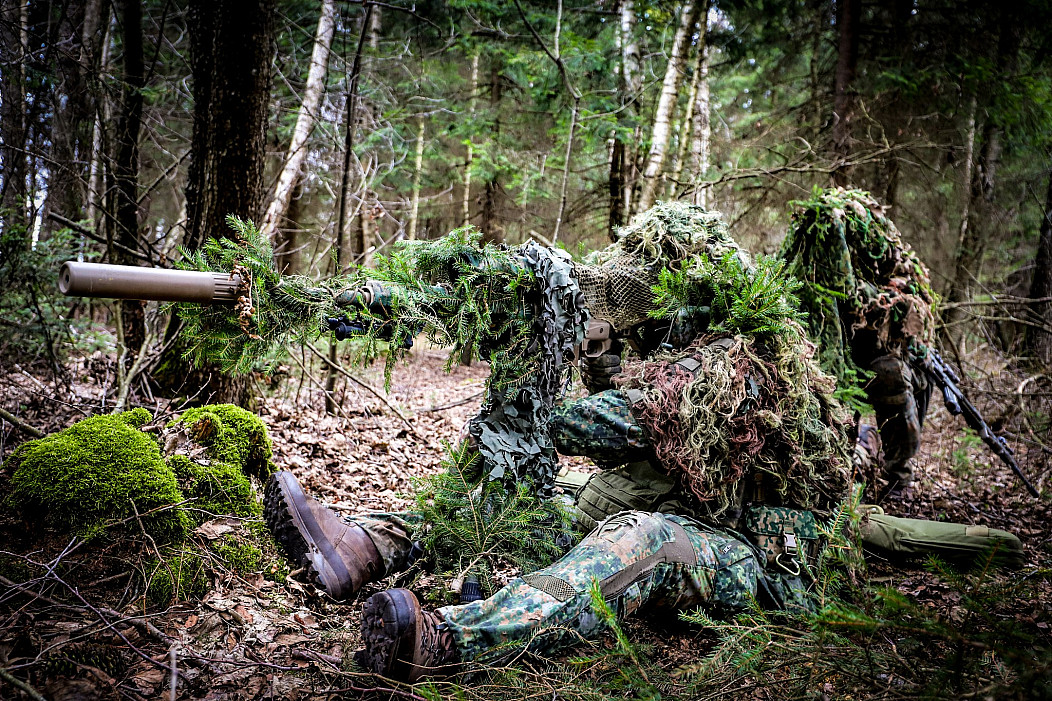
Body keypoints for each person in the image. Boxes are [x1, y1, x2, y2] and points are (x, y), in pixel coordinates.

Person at [265, 203, 858, 682]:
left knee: (644, 540)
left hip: (761, 561)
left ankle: (450, 641)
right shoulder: (676, 349)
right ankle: (360, 548)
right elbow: (632, 428)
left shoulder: (740, 354)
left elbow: (632, 421)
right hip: (689, 513)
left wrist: (532, 399)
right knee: (537, 504)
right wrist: (588, 353)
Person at [781, 188, 937, 497]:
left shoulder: (887, 256)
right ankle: (840, 460)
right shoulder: (806, 264)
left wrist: (880, 300)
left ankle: (899, 472)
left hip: (886, 356)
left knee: (890, 374)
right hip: (839, 358)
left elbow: (911, 305)